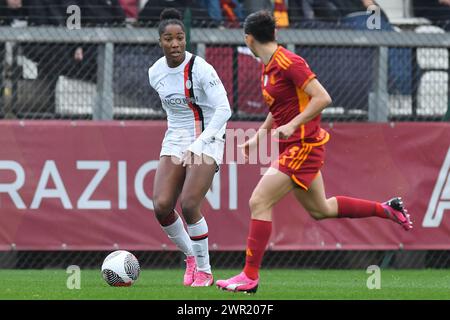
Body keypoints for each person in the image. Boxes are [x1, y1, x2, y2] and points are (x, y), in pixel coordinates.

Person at [216, 10, 413, 294]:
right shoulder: (268, 64)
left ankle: (249, 276)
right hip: (294, 144)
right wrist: (258, 137)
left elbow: (323, 97)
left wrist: (294, 124)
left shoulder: (288, 62)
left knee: (259, 201)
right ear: (274, 33)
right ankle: (387, 209)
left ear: (248, 38)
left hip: (303, 145)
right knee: (321, 209)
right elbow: (279, 108)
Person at [148, 8, 232, 287]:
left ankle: (206, 271)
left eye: (180, 38)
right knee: (161, 206)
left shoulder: (201, 69)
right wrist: (179, 143)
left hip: (207, 137)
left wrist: (200, 143)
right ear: (160, 41)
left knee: (189, 203)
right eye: (169, 39)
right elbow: (174, 112)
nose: (175, 44)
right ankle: (191, 258)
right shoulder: (155, 72)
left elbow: (224, 109)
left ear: (186, 39)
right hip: (175, 139)